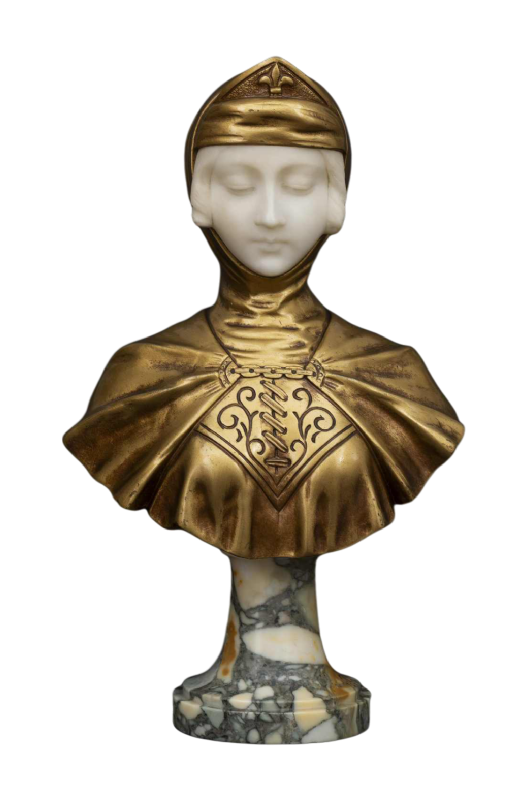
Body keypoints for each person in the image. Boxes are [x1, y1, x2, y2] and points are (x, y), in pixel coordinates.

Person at [63, 56, 465, 560]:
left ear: (336, 202)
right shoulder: (142, 376)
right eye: (239, 185)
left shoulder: (397, 379)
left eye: (297, 186)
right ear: (201, 198)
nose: (270, 216)